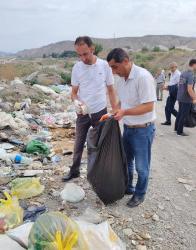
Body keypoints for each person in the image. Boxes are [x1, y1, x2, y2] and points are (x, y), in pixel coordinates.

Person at [106, 48, 156, 207]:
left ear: (125, 61)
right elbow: (122, 102)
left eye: (115, 67)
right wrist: (112, 113)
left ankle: (140, 194)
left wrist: (125, 111)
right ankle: (128, 187)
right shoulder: (122, 80)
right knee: (126, 162)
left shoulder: (143, 77)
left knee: (142, 167)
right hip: (128, 128)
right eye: (111, 68)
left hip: (142, 130)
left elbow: (148, 106)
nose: (113, 72)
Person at [62, 36, 116, 182]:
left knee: (98, 144)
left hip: (100, 112)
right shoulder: (77, 68)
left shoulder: (104, 66)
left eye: (85, 54)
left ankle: (98, 174)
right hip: (83, 112)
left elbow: (111, 90)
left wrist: (115, 110)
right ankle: (74, 171)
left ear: (92, 49)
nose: (83, 58)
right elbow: (74, 93)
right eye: (79, 55)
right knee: (78, 143)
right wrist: (76, 103)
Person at [174, 59, 196, 136]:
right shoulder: (190, 75)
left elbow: (181, 86)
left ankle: (176, 128)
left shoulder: (183, 73)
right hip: (186, 98)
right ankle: (179, 131)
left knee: (180, 113)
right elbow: (190, 90)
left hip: (180, 96)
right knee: (184, 115)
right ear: (194, 65)